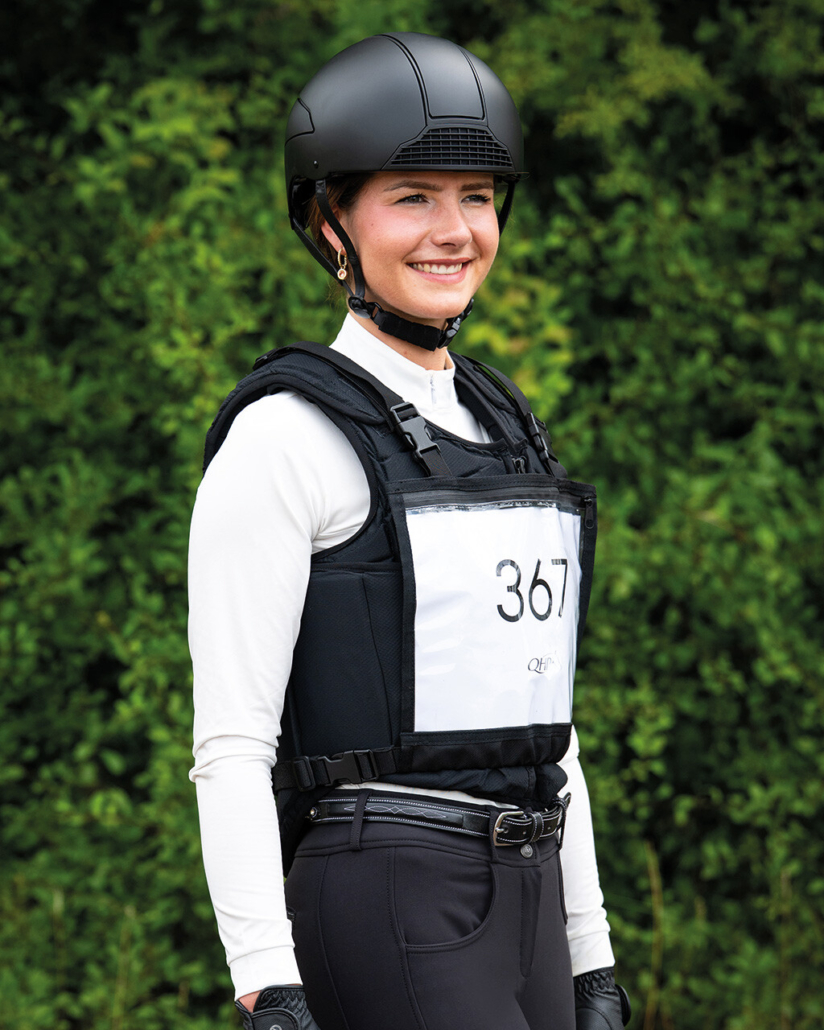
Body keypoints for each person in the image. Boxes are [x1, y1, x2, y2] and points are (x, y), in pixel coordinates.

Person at [189, 31, 631, 1030]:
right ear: (331, 222)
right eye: (412, 197)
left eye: (476, 196)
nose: (454, 230)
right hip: (389, 892)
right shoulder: (282, 437)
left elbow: (543, 723)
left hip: (528, 891)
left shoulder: (507, 424)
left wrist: (590, 952)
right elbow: (232, 742)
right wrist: (266, 980)